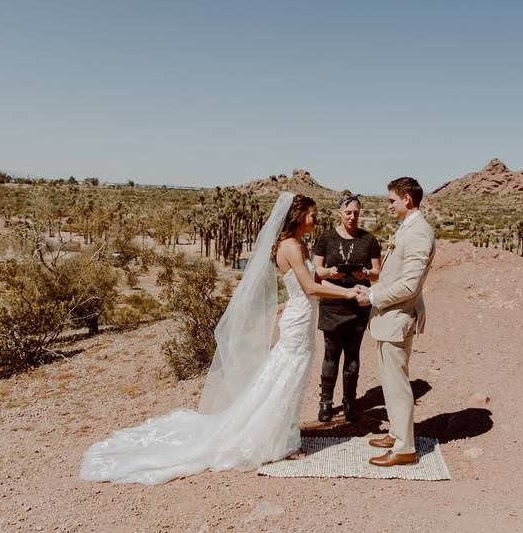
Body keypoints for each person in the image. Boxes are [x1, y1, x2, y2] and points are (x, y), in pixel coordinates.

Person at [79, 193, 358, 484]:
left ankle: (284, 434)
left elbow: (312, 284)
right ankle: (281, 443)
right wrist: (349, 293)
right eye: (312, 214)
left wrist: (340, 285)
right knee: (288, 377)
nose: (315, 219)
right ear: (299, 216)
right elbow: (310, 289)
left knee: (291, 377)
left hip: (301, 316)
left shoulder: (299, 244)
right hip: (299, 321)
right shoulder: (290, 246)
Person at [354, 177, 436, 467]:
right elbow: (398, 275)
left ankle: (404, 448)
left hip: (397, 317)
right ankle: (397, 433)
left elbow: (410, 285)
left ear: (407, 200)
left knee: (398, 384)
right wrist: (372, 283)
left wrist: (374, 297)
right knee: (389, 380)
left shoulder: (418, 234)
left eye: (392, 200)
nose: (388, 205)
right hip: (389, 317)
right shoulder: (408, 229)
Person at [312, 193, 382, 422]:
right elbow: (316, 272)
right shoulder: (325, 239)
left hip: (358, 304)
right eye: (348, 212)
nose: (352, 217)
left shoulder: (369, 240)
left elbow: (378, 273)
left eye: (356, 213)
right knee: (330, 354)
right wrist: (330, 272)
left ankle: (350, 402)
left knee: (353, 354)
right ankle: (326, 403)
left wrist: (366, 274)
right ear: (339, 213)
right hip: (332, 303)